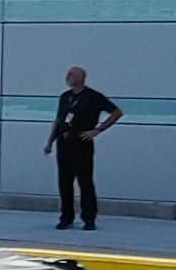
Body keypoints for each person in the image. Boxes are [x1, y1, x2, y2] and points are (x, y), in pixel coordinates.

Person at [41, 65, 122, 230]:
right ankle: (66, 217)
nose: (67, 77)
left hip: (81, 143)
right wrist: (50, 141)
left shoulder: (93, 97)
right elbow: (58, 120)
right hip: (64, 144)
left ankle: (89, 218)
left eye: (71, 74)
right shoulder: (65, 97)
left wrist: (98, 130)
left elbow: (116, 112)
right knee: (64, 182)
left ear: (80, 78)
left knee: (85, 182)